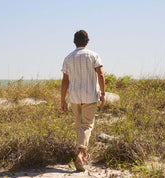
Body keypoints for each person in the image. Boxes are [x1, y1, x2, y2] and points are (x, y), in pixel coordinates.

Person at [61, 30, 105, 171]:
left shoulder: (68, 58)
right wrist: (103, 93)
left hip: (74, 97)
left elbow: (65, 80)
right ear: (87, 41)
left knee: (79, 125)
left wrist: (62, 100)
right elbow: (101, 74)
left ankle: (82, 153)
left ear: (75, 42)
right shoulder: (93, 55)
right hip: (90, 96)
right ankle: (81, 153)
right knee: (86, 125)